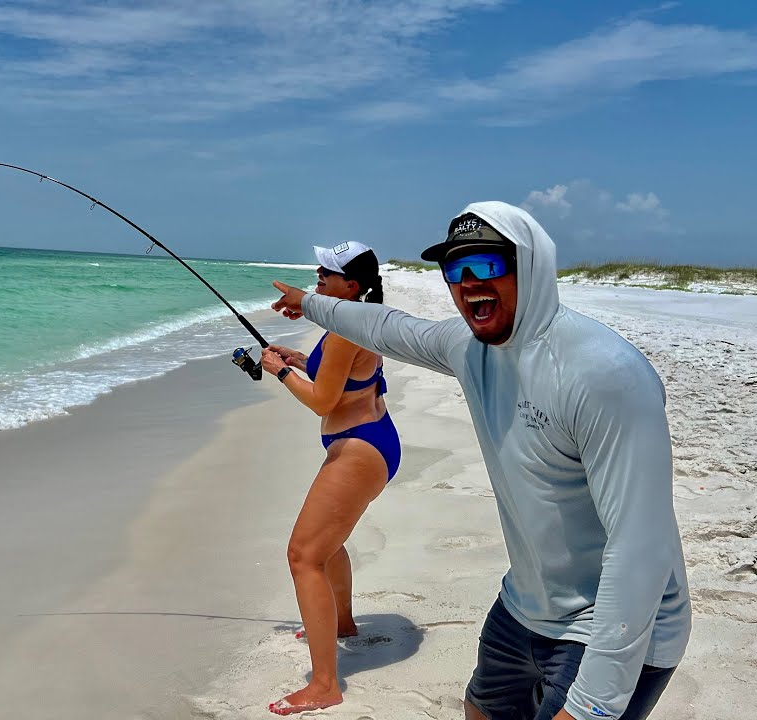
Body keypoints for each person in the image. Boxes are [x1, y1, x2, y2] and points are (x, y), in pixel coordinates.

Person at [269, 203, 691, 720]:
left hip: (618, 628)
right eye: (455, 269)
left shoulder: (603, 375)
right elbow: (385, 325)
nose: (469, 283)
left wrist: (592, 707)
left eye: (487, 265)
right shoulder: (469, 348)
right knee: (479, 710)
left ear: (531, 267)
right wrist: (309, 304)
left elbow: (640, 550)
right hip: (525, 607)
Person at [258, 241, 402, 716]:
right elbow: (344, 378)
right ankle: (341, 622)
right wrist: (298, 359)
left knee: (303, 556)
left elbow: (323, 401)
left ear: (352, 285)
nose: (318, 274)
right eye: (319, 269)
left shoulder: (344, 330)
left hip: (361, 447)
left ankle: (324, 685)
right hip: (370, 440)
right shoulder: (354, 319)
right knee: (327, 544)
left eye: (329, 271)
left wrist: (280, 373)